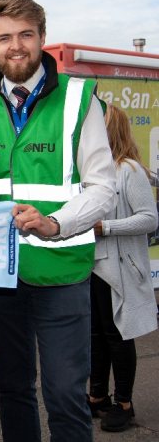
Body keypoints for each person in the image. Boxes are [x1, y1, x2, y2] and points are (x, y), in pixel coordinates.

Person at [0, 0, 116, 441]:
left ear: (42, 37)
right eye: (4, 37)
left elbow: (103, 185)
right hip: (2, 273)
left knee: (65, 393)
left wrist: (56, 224)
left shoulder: (78, 99)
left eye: (26, 34)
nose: (16, 46)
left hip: (62, 269)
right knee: (13, 390)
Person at [88, 105, 158, 432]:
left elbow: (149, 218)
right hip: (93, 266)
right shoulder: (94, 173)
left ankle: (125, 403)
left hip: (120, 269)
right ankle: (97, 396)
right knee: (97, 336)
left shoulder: (128, 170)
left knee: (117, 336)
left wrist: (107, 227)